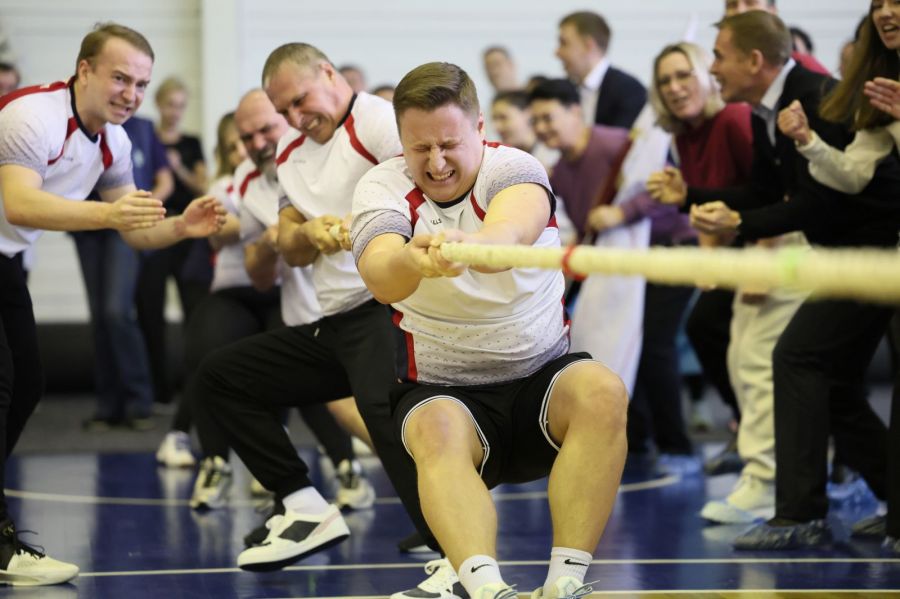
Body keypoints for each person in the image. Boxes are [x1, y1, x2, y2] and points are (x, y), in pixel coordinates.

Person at [351, 60, 627, 599]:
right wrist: (415, 260)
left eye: (450, 144)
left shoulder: (514, 168)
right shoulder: (381, 186)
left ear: (480, 130)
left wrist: (475, 247)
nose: (435, 163)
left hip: (541, 382)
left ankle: (565, 583)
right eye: (419, 148)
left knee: (604, 391)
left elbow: (510, 234)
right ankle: (486, 591)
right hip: (446, 395)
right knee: (435, 429)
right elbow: (381, 276)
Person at [189, 42, 434, 574]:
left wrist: (358, 226)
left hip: (389, 306)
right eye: (284, 113)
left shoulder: (380, 123)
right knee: (222, 377)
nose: (296, 119)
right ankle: (303, 505)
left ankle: (455, 556)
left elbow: (432, 199)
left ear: (328, 72)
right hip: (334, 321)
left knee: (384, 412)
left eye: (300, 102)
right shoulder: (288, 153)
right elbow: (291, 250)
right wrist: (309, 232)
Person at [659, 11, 900, 549]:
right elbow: (769, 192)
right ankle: (881, 500)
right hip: (847, 257)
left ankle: (798, 512)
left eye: (718, 56)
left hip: (875, 258)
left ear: (754, 61)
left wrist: (741, 222)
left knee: (796, 358)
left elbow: (822, 197)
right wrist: (692, 197)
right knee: (828, 381)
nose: (711, 68)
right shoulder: (765, 109)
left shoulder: (815, 95)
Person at [0, 22, 224, 586]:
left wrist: (182, 227)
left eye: (141, 84)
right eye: (120, 78)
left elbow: (137, 232)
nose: (131, 93)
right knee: (5, 382)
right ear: (84, 71)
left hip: (3, 258)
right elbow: (22, 205)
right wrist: (108, 215)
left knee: (28, 382)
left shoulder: (115, 142)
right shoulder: (32, 117)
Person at [188, 94, 373, 513]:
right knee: (220, 373)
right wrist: (274, 242)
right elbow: (259, 270)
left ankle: (356, 480)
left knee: (373, 415)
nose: (255, 143)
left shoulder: (331, 155)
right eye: (245, 136)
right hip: (305, 312)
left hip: (359, 305)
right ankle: (292, 497)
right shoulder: (244, 182)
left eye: (265, 130)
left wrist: (298, 235)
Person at [646, 40, 803, 523]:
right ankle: (770, 455)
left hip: (777, 243)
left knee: (753, 360)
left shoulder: (734, 119)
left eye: (684, 75)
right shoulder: (685, 136)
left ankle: (773, 473)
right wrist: (710, 265)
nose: (675, 88)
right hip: (742, 245)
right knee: (718, 338)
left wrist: (758, 263)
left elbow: (771, 193)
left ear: (707, 76)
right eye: (666, 81)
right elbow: (706, 207)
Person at [776, 0, 900, 554]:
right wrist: (808, 141)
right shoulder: (884, 82)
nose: (888, 12)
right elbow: (853, 174)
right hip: (884, 261)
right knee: (813, 361)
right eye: (879, 4)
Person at [76, 113, 173, 432]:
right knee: (100, 318)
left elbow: (165, 179)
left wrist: (144, 207)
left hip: (126, 226)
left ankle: (138, 401)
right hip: (88, 224)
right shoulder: (81, 123)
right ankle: (108, 406)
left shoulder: (143, 128)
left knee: (116, 311)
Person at [137, 76, 211, 409]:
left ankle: (193, 384)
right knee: (150, 309)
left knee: (193, 310)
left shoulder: (190, 143)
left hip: (188, 233)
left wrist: (176, 169)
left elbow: (202, 186)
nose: (175, 112)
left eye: (180, 105)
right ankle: (158, 388)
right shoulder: (146, 139)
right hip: (154, 229)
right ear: (158, 104)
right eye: (170, 104)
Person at [555, 11, 646, 129]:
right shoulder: (565, 91)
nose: (557, 52)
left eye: (564, 43)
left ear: (588, 46)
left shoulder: (629, 90)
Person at [722, 0, 831, 75]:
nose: (739, 10)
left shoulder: (804, 67)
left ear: (772, 11)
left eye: (750, 2)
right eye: (732, 5)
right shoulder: (719, 69)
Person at [490, 90, 558, 172]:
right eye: (494, 119)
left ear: (528, 113)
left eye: (503, 117)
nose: (497, 127)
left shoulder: (554, 155)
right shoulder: (507, 161)